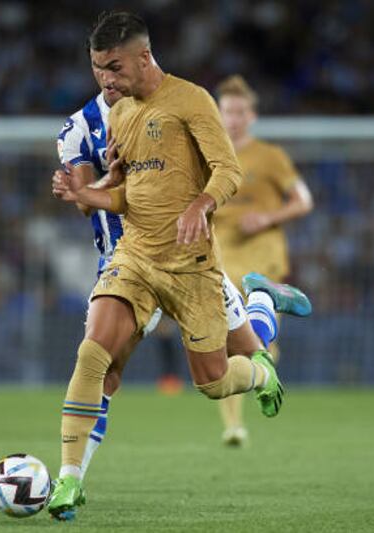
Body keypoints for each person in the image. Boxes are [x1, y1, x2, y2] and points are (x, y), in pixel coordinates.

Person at [46, 11, 309, 521]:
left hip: (193, 265)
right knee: (93, 357)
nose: (105, 79)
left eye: (113, 67)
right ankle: (68, 480)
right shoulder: (114, 116)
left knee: (216, 379)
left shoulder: (191, 100)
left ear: (143, 56)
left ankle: (261, 309)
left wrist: (200, 205)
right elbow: (129, 197)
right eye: (97, 68)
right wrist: (89, 192)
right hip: (134, 257)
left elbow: (228, 170)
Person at [214, 75, 314, 447]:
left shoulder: (271, 157)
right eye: (227, 111)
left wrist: (267, 218)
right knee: (225, 340)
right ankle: (234, 426)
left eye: (240, 112)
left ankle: (264, 344)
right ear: (218, 113)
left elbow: (303, 201)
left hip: (262, 256)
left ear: (252, 116)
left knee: (240, 336)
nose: (234, 119)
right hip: (221, 254)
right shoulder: (208, 154)